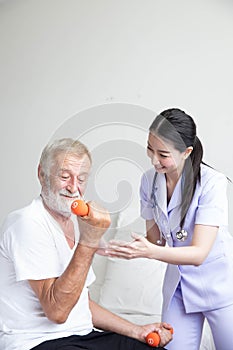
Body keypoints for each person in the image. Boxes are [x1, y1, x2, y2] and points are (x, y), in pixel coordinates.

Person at [0, 138, 172, 350]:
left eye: (81, 179)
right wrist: (89, 240)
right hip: (36, 342)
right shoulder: (27, 222)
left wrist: (137, 330)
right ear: (42, 175)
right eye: (64, 177)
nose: (74, 188)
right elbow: (57, 312)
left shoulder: (74, 222)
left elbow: (82, 305)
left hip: (83, 336)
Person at [107, 108, 233, 350]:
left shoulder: (211, 183)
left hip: (219, 285)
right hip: (179, 288)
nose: (154, 160)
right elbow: (156, 241)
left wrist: (148, 252)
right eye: (150, 149)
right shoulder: (148, 181)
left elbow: (198, 254)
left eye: (163, 154)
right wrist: (128, 248)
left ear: (186, 152)